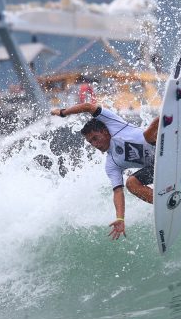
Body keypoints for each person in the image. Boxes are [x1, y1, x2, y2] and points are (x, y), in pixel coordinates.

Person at [50, 103, 159, 240]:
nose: (95, 144)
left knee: (147, 135)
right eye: (91, 143)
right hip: (157, 166)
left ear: (105, 132)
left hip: (163, 141)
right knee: (130, 183)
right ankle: (164, 202)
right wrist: (120, 218)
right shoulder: (111, 164)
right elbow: (118, 191)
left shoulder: (114, 124)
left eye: (95, 138)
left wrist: (63, 112)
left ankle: (173, 115)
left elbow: (89, 107)